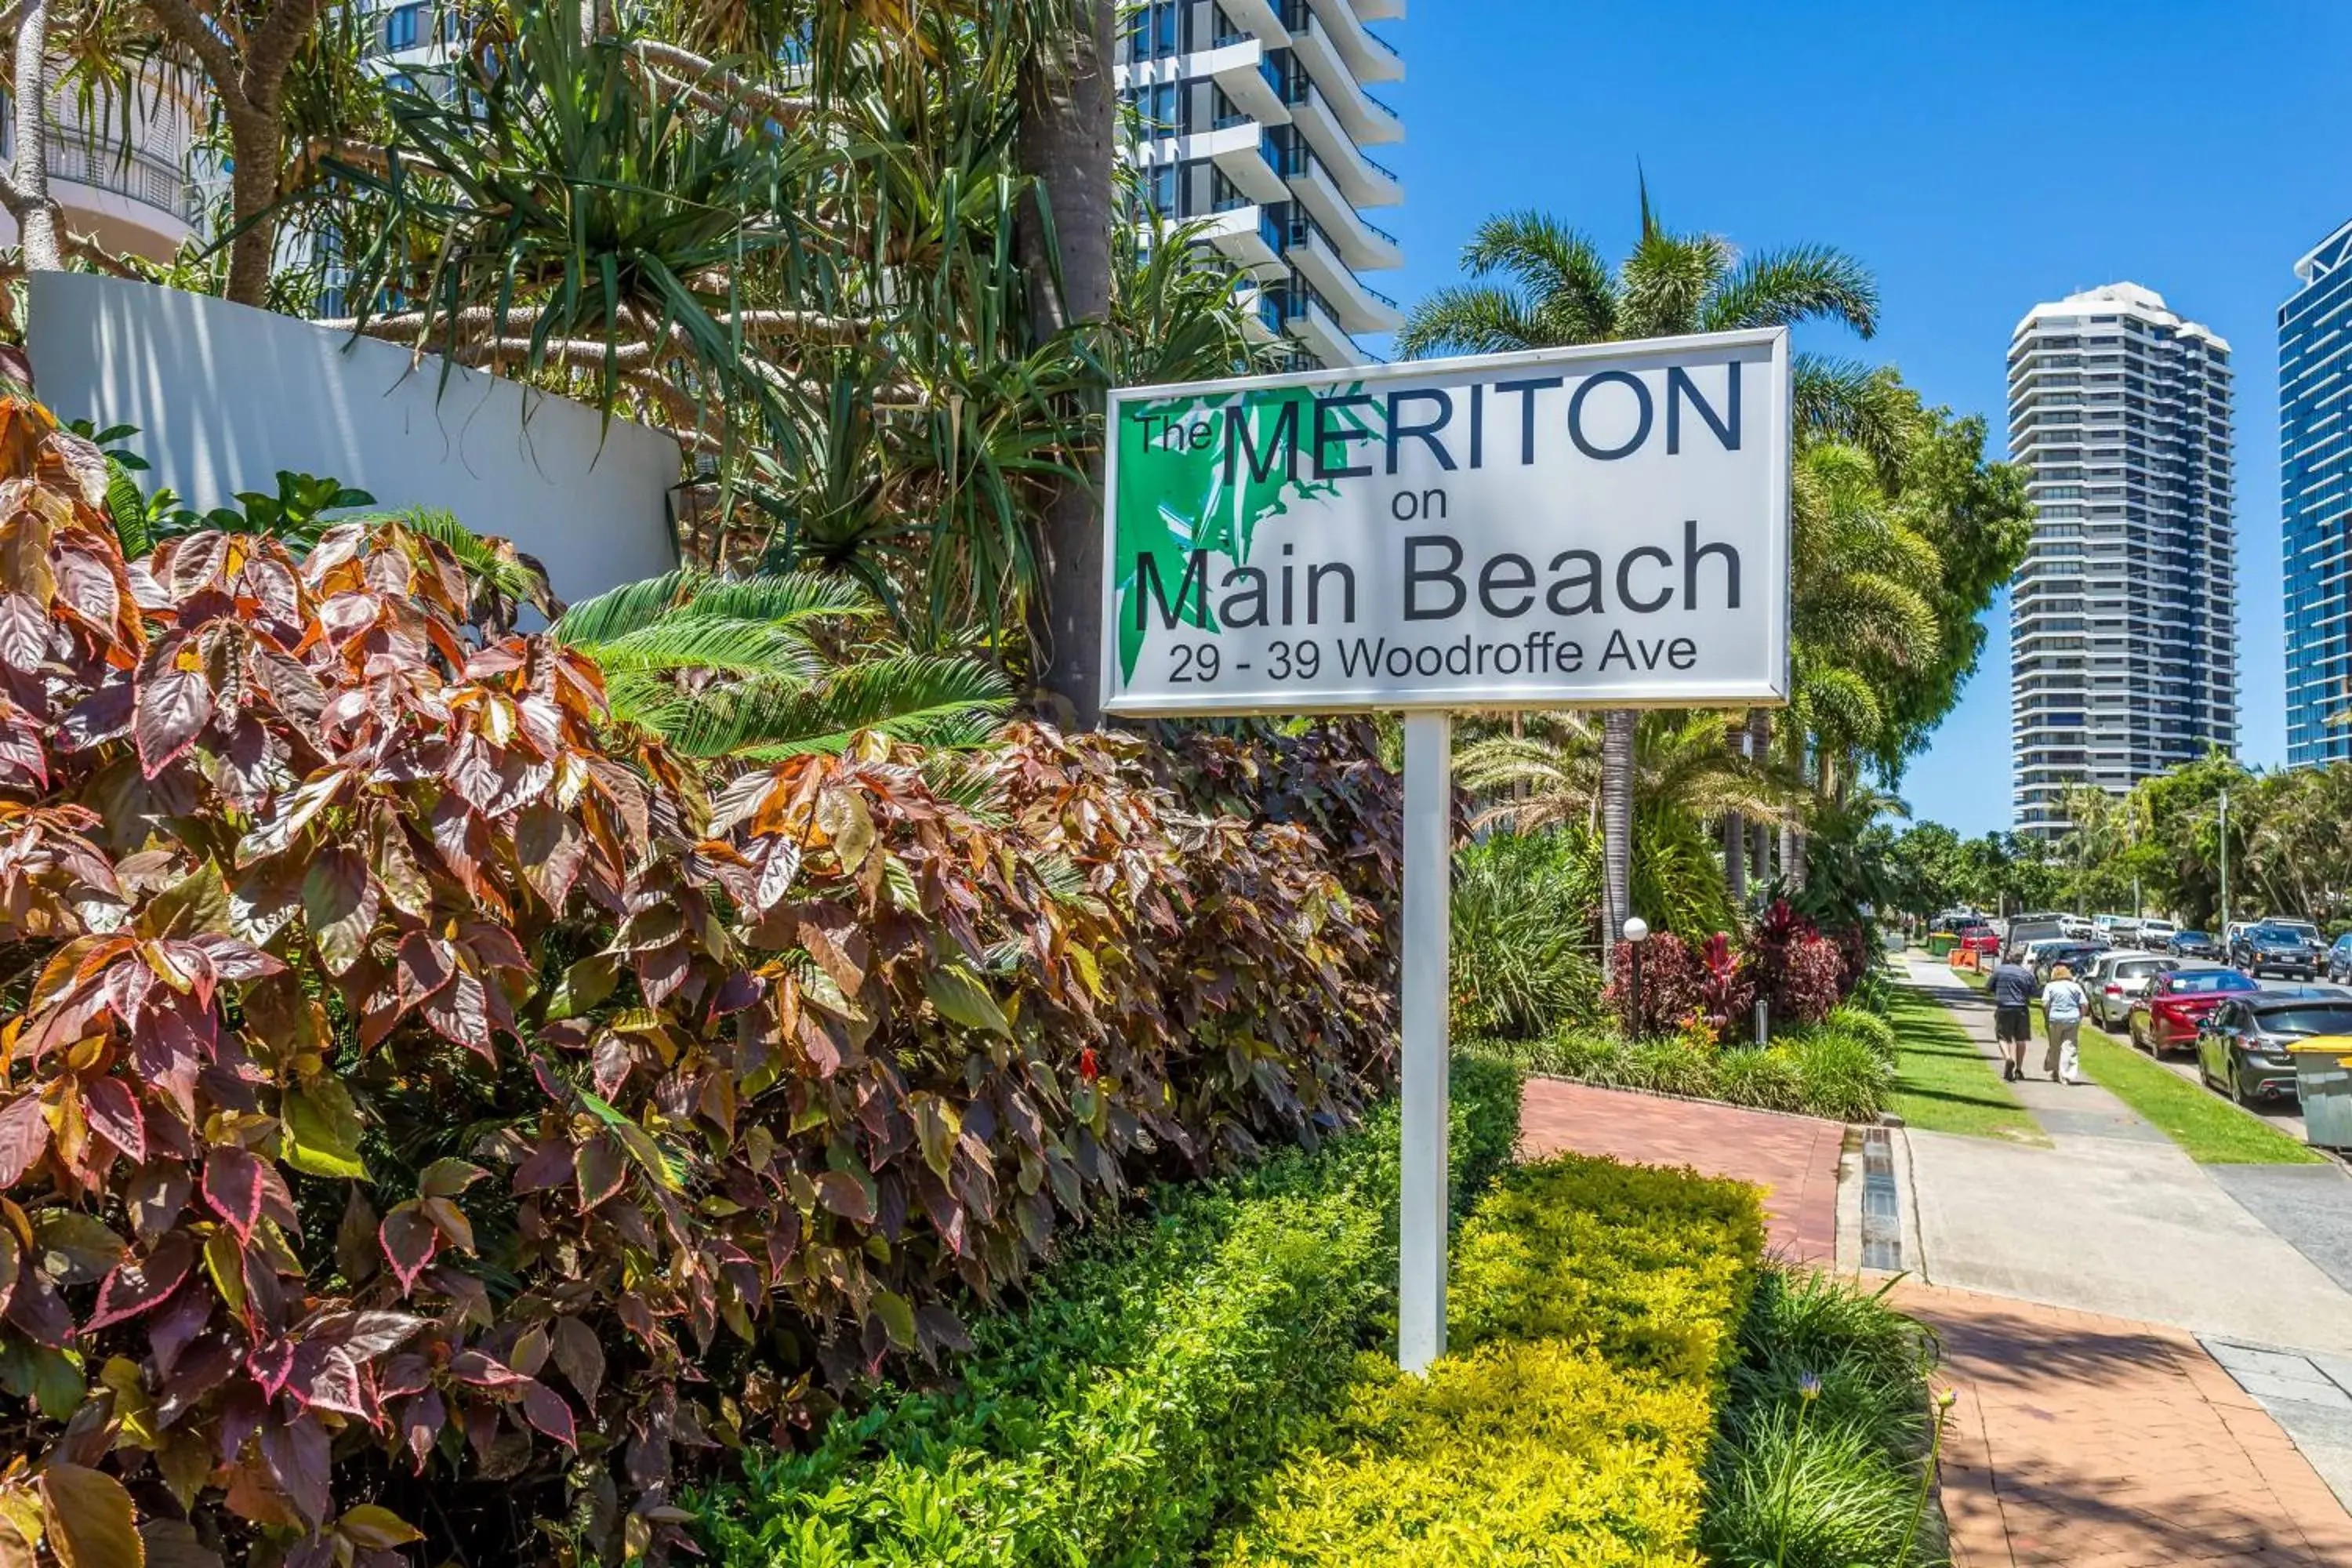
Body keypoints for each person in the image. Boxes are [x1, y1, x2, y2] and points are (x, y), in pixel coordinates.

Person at [1988, 952, 2038, 1082]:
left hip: (2004, 1007)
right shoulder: (2027, 974)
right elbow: (2034, 992)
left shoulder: (1999, 971)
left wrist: (1999, 991)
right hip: (2022, 1008)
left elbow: (1988, 987)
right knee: (2021, 1039)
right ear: (2021, 961)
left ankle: (2008, 1057)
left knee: (2002, 1037)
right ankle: (2019, 1069)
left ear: (2009, 959)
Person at [2042, 962, 2089, 1085]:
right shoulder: (2075, 986)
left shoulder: (2050, 986)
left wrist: (2047, 1017)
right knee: (2069, 1047)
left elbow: (2045, 1004)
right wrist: (2080, 1017)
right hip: (2072, 1019)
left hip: (2055, 1019)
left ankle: (2055, 1070)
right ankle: (2066, 1075)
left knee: (2055, 1046)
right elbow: (2084, 1004)